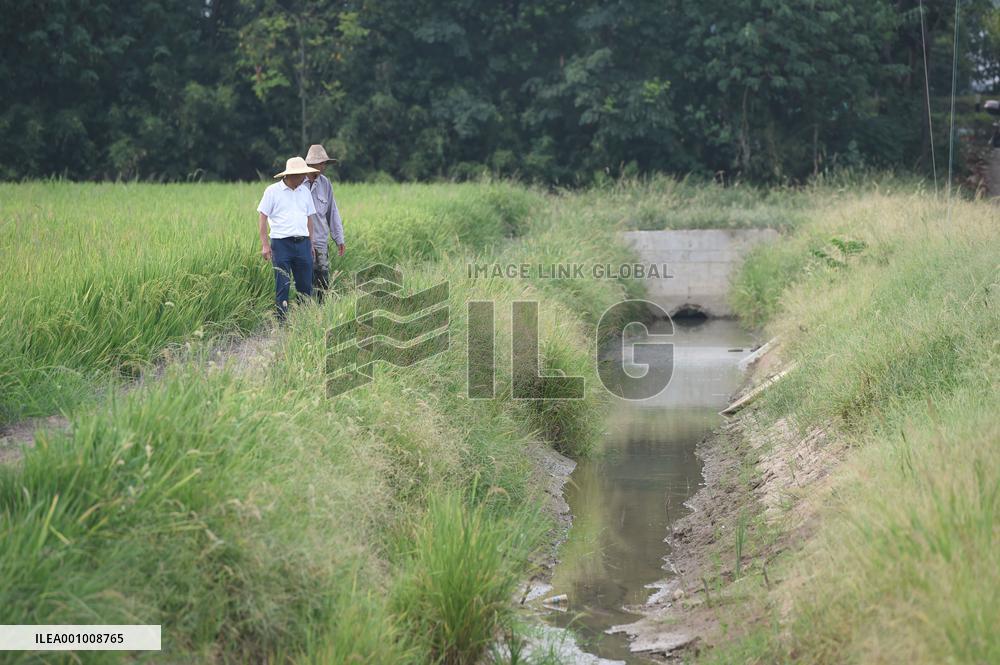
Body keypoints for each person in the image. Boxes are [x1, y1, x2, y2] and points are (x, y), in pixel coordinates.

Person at [257, 156, 319, 322]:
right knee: (283, 284)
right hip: (281, 245)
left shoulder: (305, 192)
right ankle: (282, 322)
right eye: (301, 175)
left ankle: (304, 320)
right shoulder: (272, 191)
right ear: (291, 175)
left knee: (305, 285)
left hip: (303, 244)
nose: (304, 178)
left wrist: (311, 243)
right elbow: (262, 217)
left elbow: (309, 219)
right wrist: (265, 245)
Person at [304, 144, 345, 302]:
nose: (324, 166)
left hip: (320, 241)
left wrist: (339, 238)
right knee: (304, 282)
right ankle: (304, 311)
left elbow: (332, 212)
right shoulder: (298, 182)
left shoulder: (325, 183)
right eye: (321, 163)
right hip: (301, 241)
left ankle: (321, 312)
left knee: (323, 282)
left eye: (324, 163)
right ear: (312, 163)